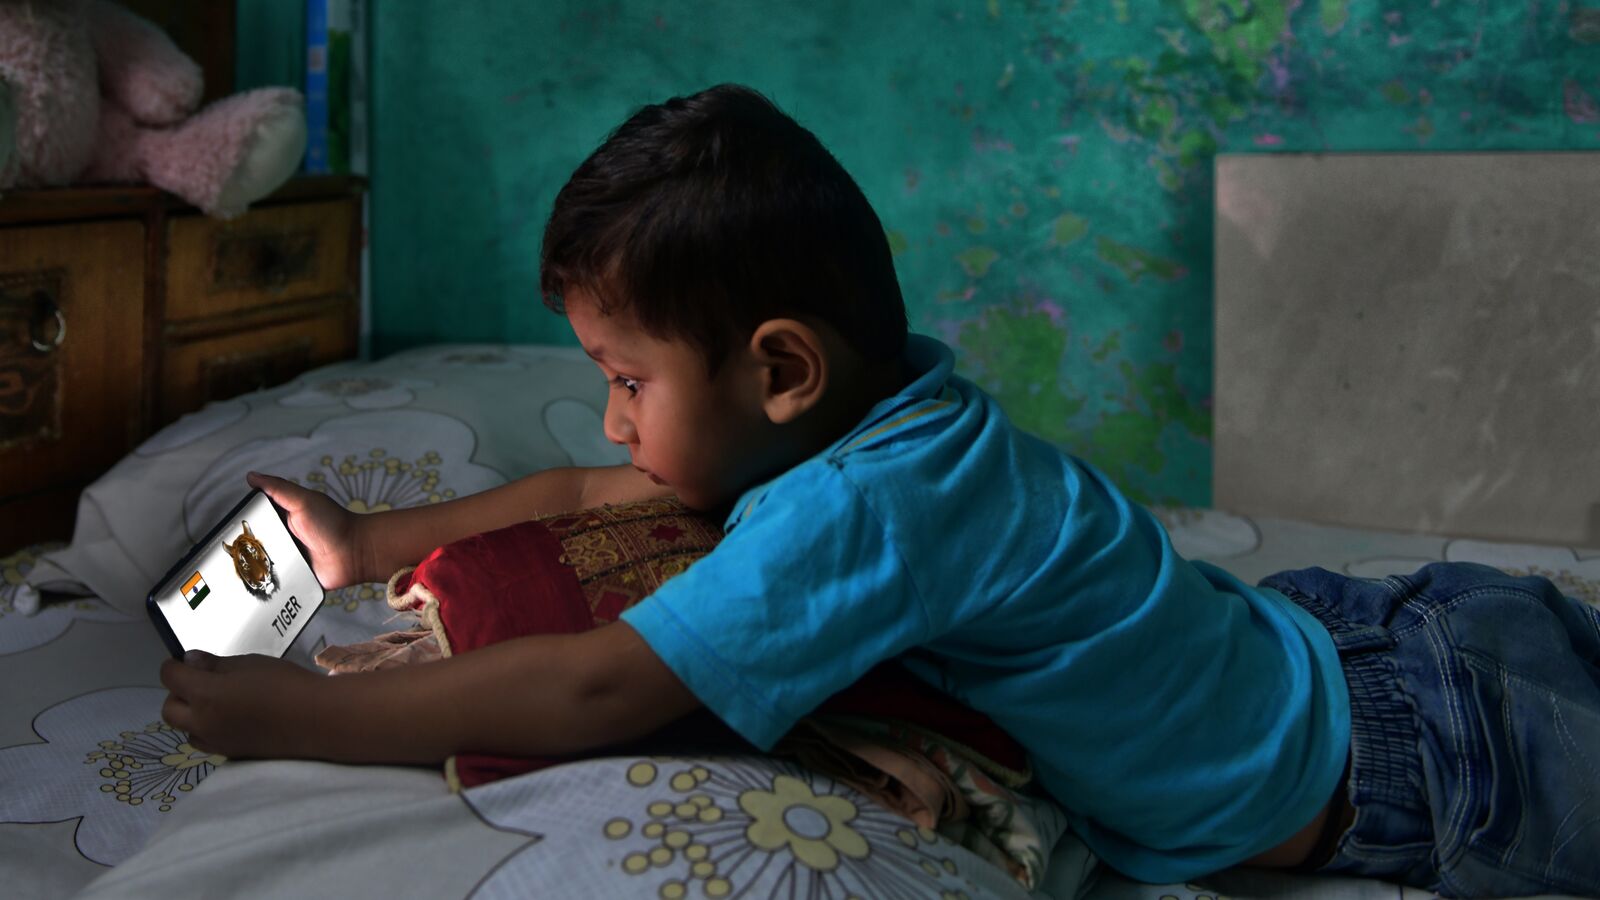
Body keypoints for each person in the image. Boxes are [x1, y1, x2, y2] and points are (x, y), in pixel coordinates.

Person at [159, 84, 1600, 897]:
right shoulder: (889, 414)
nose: (612, 417)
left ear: (781, 372)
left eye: (629, 377)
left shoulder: (861, 512)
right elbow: (581, 483)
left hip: (1414, 764)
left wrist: (307, 714)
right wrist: (368, 543)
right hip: (1363, 638)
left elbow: (599, 692)